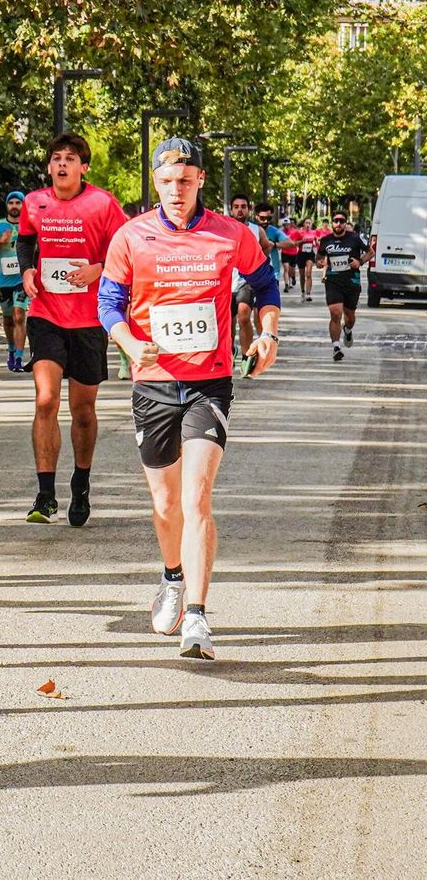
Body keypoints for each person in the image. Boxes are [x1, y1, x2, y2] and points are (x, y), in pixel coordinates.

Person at [98, 137, 279, 661]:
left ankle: (197, 616)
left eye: (185, 180)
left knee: (197, 497)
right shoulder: (131, 236)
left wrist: (268, 334)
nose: (176, 190)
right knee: (165, 503)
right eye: (166, 181)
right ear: (155, 183)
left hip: (209, 381)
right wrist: (129, 342)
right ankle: (172, 576)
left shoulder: (231, 233)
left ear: (200, 180)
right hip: (153, 381)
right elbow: (108, 302)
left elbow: (265, 286)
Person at [16, 133, 127, 527]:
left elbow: (124, 250)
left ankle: (81, 483)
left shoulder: (103, 203)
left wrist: (99, 269)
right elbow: (25, 241)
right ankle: (45, 494)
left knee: (82, 411)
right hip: (46, 313)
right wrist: (28, 270)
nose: (62, 164)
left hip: (90, 319)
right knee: (46, 400)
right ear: (49, 166)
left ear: (84, 167)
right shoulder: (34, 202)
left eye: (70, 158)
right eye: (56, 158)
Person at [227, 195, 274, 376]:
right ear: (231, 209)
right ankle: (230, 351)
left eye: (243, 206)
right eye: (236, 206)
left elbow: (267, 246)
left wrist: (257, 263)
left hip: (246, 281)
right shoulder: (224, 228)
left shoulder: (256, 230)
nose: (240, 210)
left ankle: (247, 356)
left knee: (244, 315)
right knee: (228, 321)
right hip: (227, 282)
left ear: (249, 209)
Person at [317, 211, 373, 362]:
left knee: (350, 318)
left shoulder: (354, 238)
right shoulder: (326, 240)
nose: (338, 224)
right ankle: (336, 347)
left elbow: (371, 252)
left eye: (341, 221)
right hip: (333, 281)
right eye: (336, 221)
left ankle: (347, 330)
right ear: (332, 223)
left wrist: (360, 262)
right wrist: (319, 263)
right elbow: (319, 257)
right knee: (335, 313)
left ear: (346, 223)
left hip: (351, 282)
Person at [0, 190, 27, 371]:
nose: (14, 206)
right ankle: (11, 350)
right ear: (7, 206)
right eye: (11, 203)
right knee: (8, 319)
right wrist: (0, 241)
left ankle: (19, 357)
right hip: (3, 281)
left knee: (19, 315)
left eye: (18, 203)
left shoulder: (31, 225)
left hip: (23, 279)